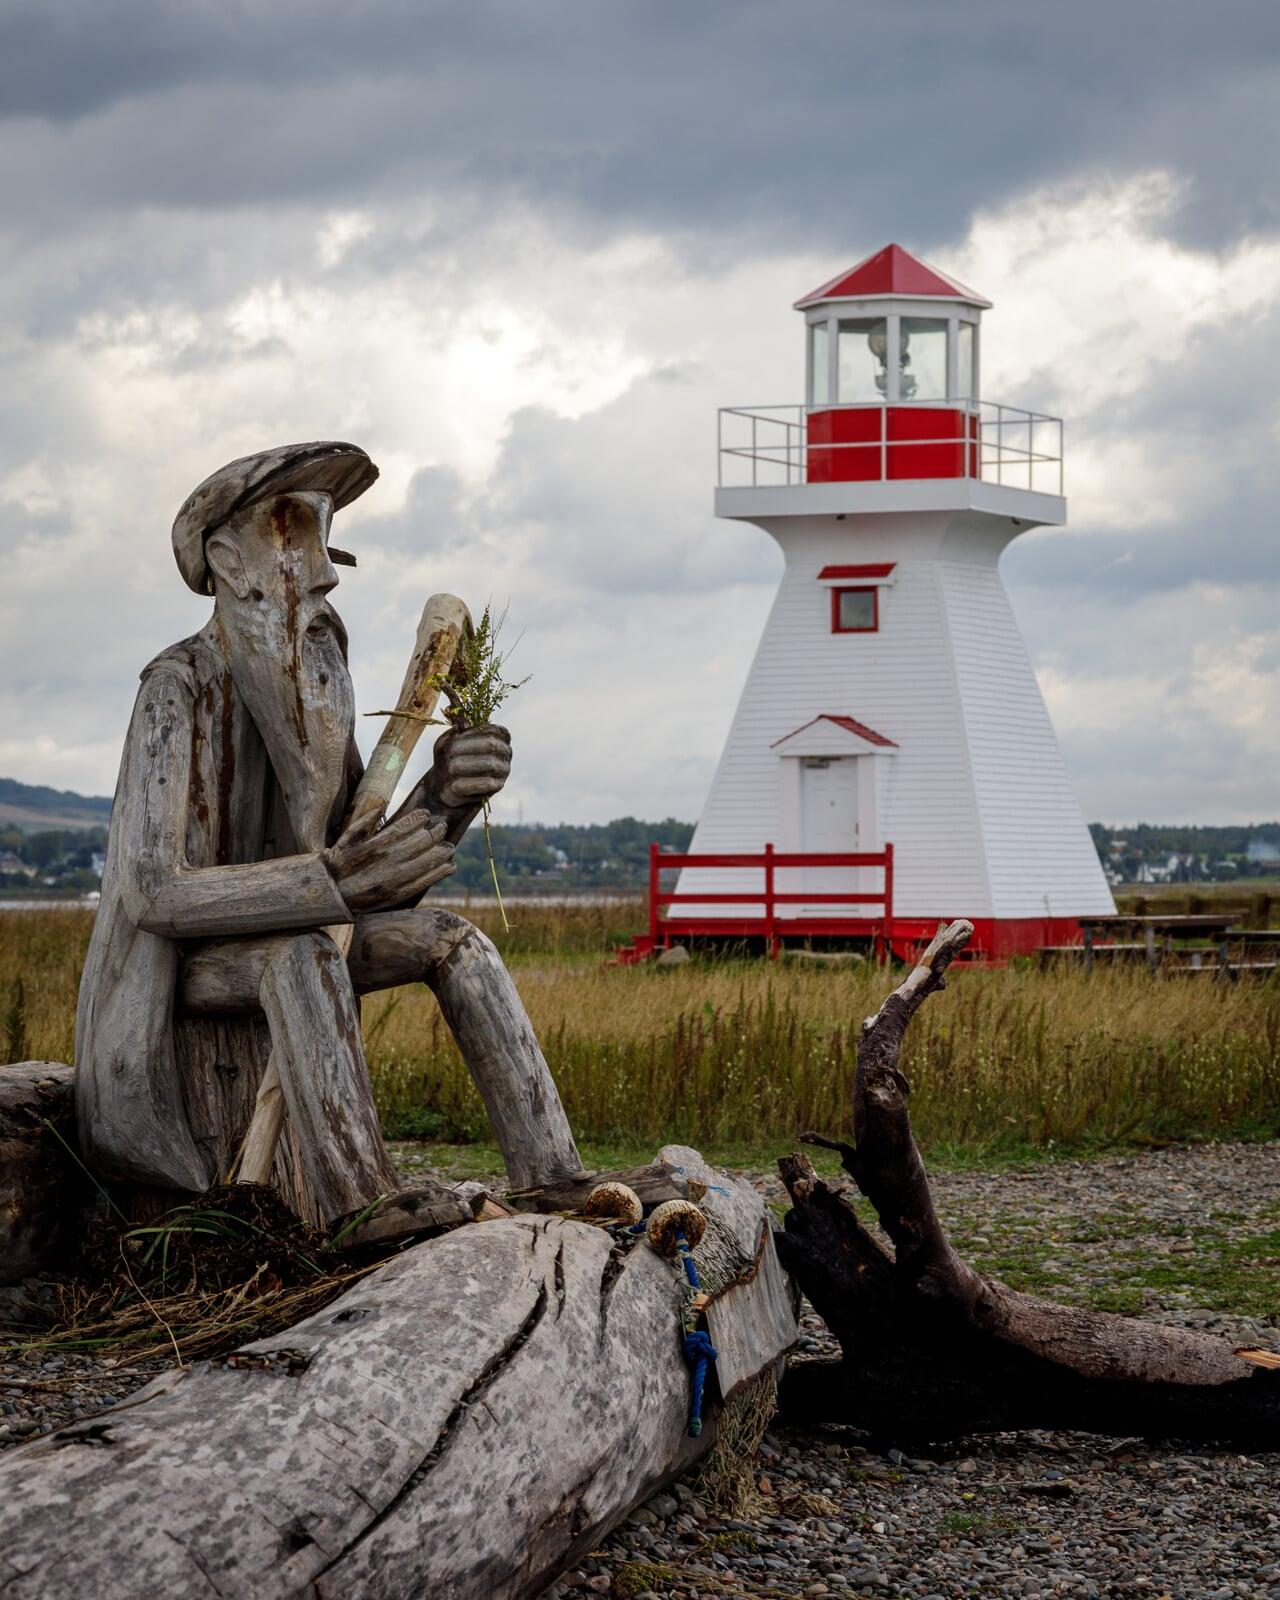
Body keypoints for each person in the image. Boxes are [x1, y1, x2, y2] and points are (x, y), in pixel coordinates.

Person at [75, 442, 520, 1223]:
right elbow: (150, 890)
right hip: (184, 971)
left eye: (328, 543)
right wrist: (328, 886)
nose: (326, 574)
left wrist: (445, 793)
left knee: (455, 941)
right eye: (296, 537)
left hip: (302, 930)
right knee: (305, 958)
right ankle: (363, 1201)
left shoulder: (311, 696)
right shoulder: (175, 691)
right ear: (227, 559)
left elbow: (363, 842)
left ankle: (553, 1173)